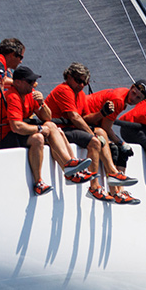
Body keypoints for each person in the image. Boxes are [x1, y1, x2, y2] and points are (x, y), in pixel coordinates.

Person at [0, 65, 90, 195]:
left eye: (33, 81)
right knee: (38, 138)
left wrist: (42, 103)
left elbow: (47, 117)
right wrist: (40, 129)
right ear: (17, 82)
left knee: (53, 127)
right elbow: (16, 126)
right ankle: (39, 181)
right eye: (30, 81)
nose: (34, 84)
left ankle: (70, 166)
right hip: (0, 138)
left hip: (13, 132)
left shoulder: (30, 93)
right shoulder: (13, 96)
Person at [45, 63, 139, 205]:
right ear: (69, 77)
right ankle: (94, 188)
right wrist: (93, 134)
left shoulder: (80, 94)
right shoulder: (64, 90)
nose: (82, 85)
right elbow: (75, 118)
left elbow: (85, 118)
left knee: (101, 132)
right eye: (78, 81)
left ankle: (112, 175)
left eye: (85, 82)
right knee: (95, 141)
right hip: (59, 129)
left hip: (72, 127)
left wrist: (102, 113)